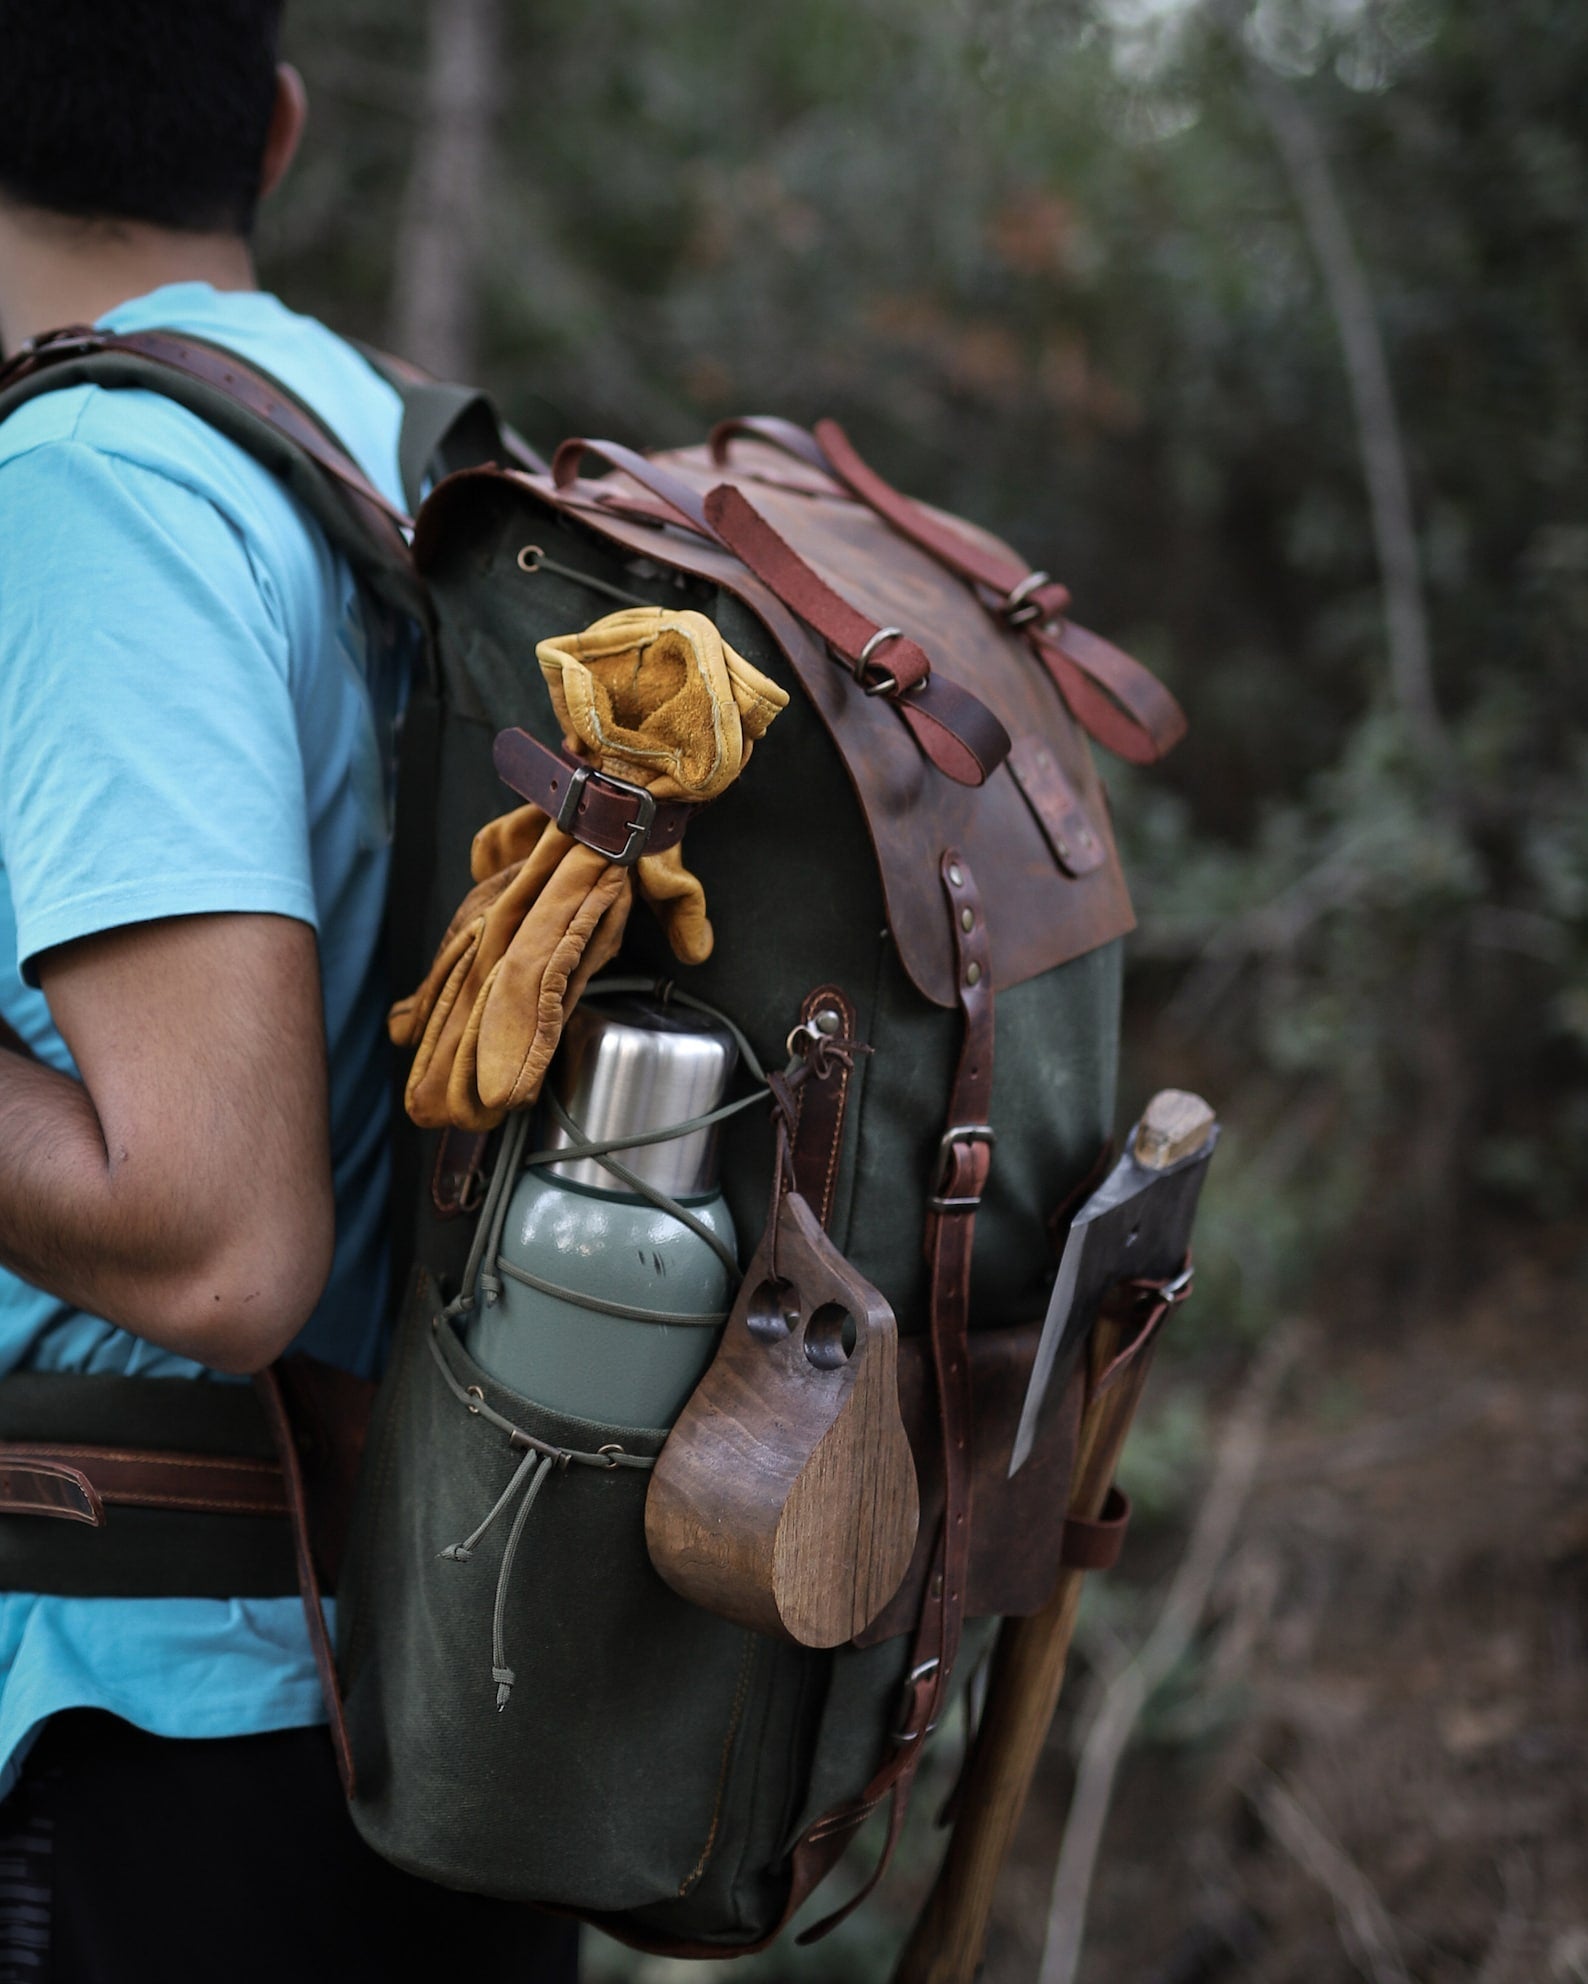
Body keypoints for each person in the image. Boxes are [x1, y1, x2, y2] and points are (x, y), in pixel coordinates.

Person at [0, 6, 578, 1976]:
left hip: (165, 1743)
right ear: (276, 127)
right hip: (419, 1714)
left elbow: (217, 1229)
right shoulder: (375, 440)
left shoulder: (89, 487)